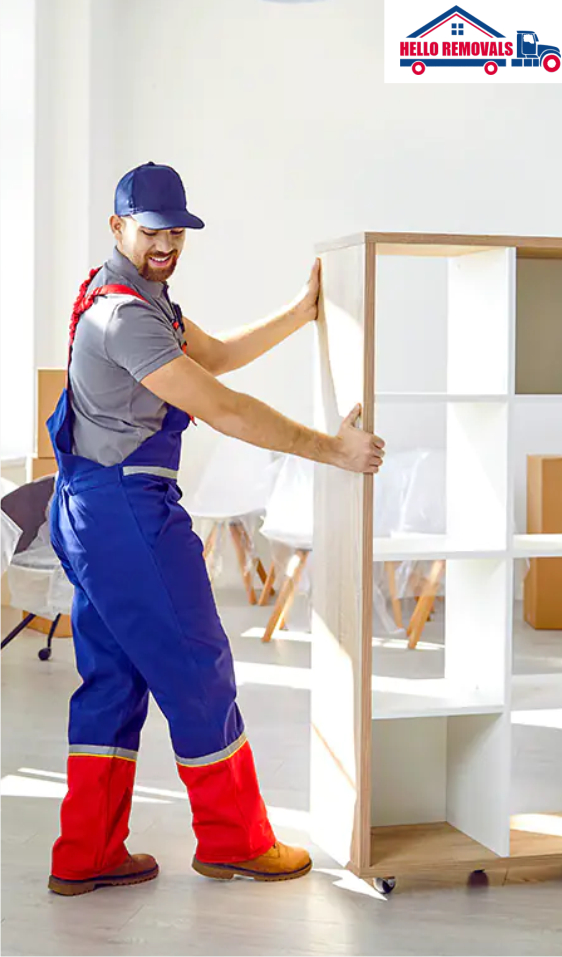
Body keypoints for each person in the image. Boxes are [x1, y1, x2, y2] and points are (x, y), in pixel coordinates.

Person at [46, 161, 384, 896]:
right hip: (126, 512)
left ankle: (87, 852)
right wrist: (332, 450)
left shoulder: (134, 295)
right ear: (117, 227)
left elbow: (219, 354)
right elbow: (224, 405)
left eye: (176, 230)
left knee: (113, 676)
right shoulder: (124, 316)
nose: (166, 242)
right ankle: (235, 840)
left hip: (90, 507)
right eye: (151, 230)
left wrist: (300, 313)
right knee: (199, 667)